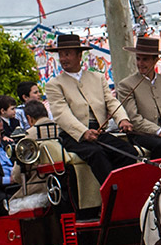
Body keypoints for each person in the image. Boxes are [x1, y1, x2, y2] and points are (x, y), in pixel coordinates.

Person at [43, 33, 139, 185]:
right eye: (61, 55)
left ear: (79, 55)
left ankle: (127, 187)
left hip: (99, 131)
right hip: (74, 136)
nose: (63, 59)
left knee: (129, 152)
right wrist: (83, 132)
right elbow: (61, 113)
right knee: (96, 154)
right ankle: (111, 192)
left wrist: (122, 119)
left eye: (67, 54)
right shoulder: (54, 84)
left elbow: (111, 101)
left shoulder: (98, 78)